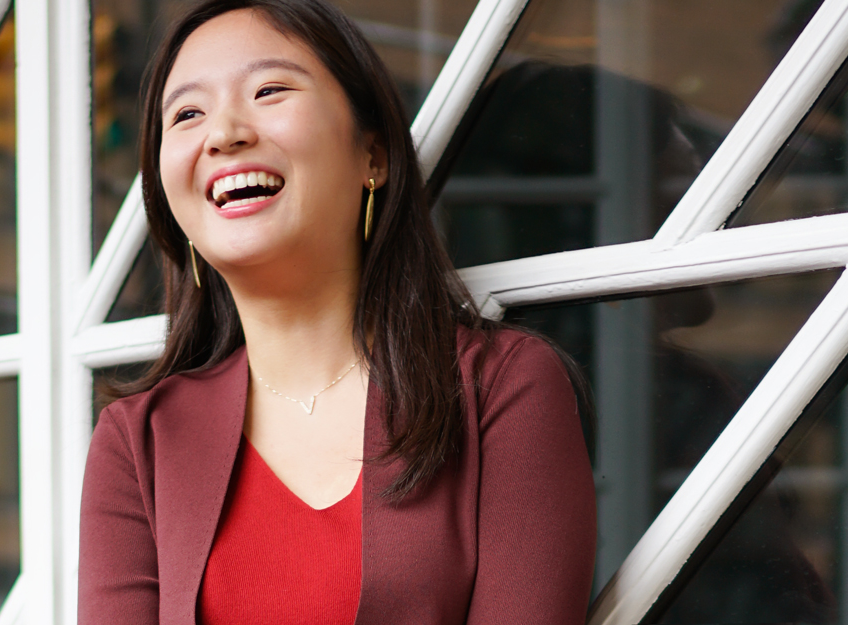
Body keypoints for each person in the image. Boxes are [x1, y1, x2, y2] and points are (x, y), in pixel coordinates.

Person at [78, 1, 597, 623]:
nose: (224, 134)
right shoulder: (139, 442)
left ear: (373, 155)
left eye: (269, 90)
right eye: (187, 114)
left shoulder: (501, 387)